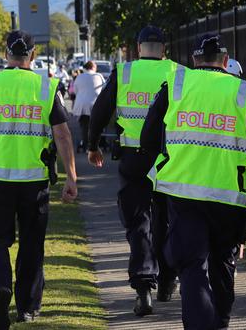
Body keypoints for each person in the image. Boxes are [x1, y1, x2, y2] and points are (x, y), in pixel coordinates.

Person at [141, 34, 246, 329]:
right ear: (225, 61)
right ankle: (220, 321)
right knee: (223, 260)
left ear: (194, 61)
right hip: (229, 194)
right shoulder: (243, 92)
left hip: (183, 191)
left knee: (192, 266)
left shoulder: (176, 85)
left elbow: (148, 138)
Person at [0, 30, 78, 330]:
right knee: (31, 244)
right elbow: (63, 134)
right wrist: (71, 177)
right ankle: (27, 307)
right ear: (33, 54)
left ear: (6, 54)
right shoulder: (45, 86)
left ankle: (1, 288)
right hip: (34, 180)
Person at [87, 25, 179, 316]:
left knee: (138, 223)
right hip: (169, 160)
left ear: (138, 48)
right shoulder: (178, 73)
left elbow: (101, 109)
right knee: (166, 219)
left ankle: (143, 288)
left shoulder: (125, 72)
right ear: (164, 49)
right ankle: (166, 279)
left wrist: (92, 145)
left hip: (134, 159)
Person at [72, 61, 105, 152]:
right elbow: (104, 89)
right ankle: (96, 146)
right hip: (95, 105)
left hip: (82, 106)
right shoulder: (98, 76)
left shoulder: (79, 77)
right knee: (96, 127)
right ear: (93, 67)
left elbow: (75, 91)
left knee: (84, 127)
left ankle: (87, 147)